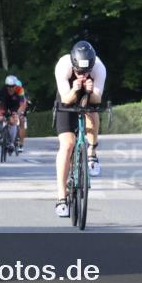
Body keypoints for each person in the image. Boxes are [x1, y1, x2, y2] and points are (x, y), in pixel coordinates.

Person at [53, 40, 107, 218]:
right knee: (67, 145)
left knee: (92, 111)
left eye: (87, 72)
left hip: (88, 97)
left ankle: (92, 153)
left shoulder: (99, 67)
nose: (83, 75)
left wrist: (90, 92)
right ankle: (62, 197)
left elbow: (97, 99)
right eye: (79, 72)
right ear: (73, 65)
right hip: (67, 97)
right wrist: (75, 89)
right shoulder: (63, 66)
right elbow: (65, 100)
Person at [0, 74, 27, 155]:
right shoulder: (2, 90)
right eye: (8, 86)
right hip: (4, 105)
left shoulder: (20, 90)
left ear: (16, 85)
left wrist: (18, 113)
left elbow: (22, 104)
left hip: (15, 106)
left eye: (12, 86)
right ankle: (0, 135)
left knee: (13, 121)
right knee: (0, 118)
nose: (11, 88)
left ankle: (12, 143)